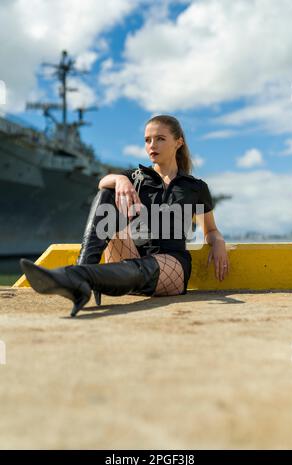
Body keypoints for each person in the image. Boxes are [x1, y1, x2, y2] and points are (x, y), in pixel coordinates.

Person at [20, 115, 230, 317]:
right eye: (147, 140)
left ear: (178, 142)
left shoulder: (195, 187)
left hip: (171, 266)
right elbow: (103, 182)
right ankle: (82, 270)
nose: (152, 145)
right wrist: (120, 180)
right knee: (108, 191)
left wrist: (217, 241)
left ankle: (78, 276)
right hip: (129, 254)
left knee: (145, 266)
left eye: (160, 139)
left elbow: (210, 230)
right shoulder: (136, 177)